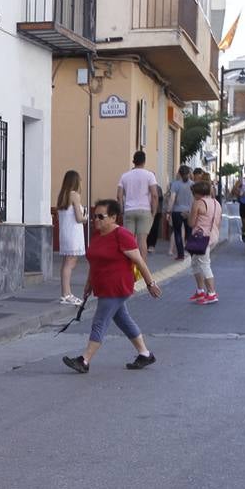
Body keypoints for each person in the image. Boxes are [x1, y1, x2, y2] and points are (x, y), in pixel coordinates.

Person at [62, 199, 162, 374]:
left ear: (114, 217)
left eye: (101, 216)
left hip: (116, 287)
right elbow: (94, 262)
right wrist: (88, 284)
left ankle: (84, 360)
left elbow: (139, 261)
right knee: (123, 320)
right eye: (94, 216)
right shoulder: (97, 235)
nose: (96, 220)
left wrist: (150, 283)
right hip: (102, 286)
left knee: (99, 322)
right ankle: (145, 354)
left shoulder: (122, 235)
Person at [117, 150, 159, 263]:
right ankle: (142, 269)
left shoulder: (124, 176)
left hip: (129, 210)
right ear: (144, 161)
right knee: (142, 240)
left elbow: (119, 195)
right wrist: (154, 211)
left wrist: (121, 210)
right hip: (145, 210)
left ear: (133, 161)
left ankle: (128, 265)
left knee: (129, 240)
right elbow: (155, 195)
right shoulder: (150, 175)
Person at [186, 180, 220, 305]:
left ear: (198, 193)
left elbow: (191, 223)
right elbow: (218, 222)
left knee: (204, 264)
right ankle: (200, 291)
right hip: (213, 236)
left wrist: (188, 215)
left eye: (194, 193)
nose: (193, 195)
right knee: (195, 263)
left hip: (201, 238)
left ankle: (211, 293)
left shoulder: (198, 203)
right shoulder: (217, 203)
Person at [55, 170, 86, 304]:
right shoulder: (74, 195)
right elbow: (79, 218)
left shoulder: (62, 195)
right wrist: (86, 218)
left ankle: (65, 293)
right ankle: (67, 294)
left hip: (65, 233)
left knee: (66, 264)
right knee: (70, 264)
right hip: (73, 233)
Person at [165, 166, 194, 261]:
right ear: (189, 174)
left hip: (177, 211)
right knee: (189, 232)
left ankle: (180, 254)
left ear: (179, 174)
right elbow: (195, 199)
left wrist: (168, 211)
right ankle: (190, 253)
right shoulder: (193, 185)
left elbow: (172, 198)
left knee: (177, 232)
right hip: (189, 211)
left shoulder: (175, 184)